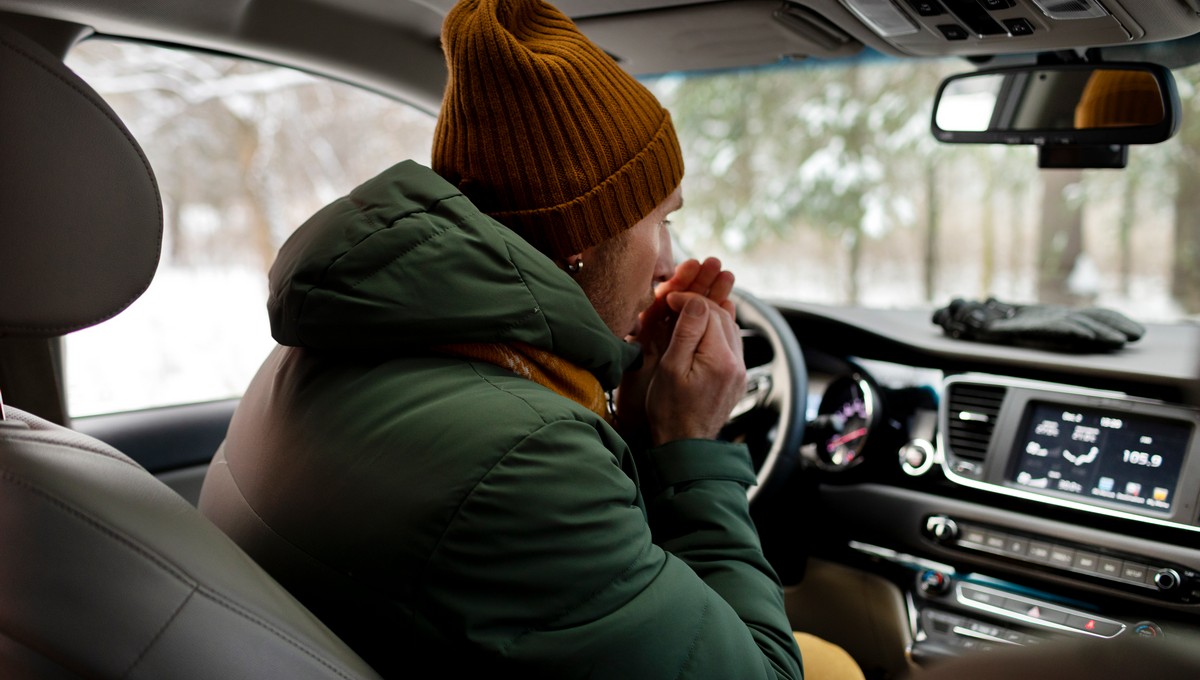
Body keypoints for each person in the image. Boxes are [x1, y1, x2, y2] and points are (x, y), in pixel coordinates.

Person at [200, 0, 859, 677]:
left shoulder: (323, 345)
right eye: (659, 222)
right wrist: (690, 447)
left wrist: (623, 419)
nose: (668, 262)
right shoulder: (525, 461)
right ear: (582, 237)